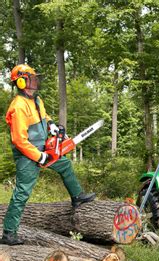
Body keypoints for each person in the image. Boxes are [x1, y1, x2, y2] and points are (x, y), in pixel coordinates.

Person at [1, 64, 95, 245]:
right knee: (22, 193)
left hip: (45, 149)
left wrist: (53, 126)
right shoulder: (18, 107)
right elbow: (19, 141)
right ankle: (9, 233)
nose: (36, 81)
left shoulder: (36, 100)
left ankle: (77, 196)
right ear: (21, 82)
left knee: (65, 165)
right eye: (32, 78)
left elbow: (44, 117)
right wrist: (39, 156)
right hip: (27, 155)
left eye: (36, 78)